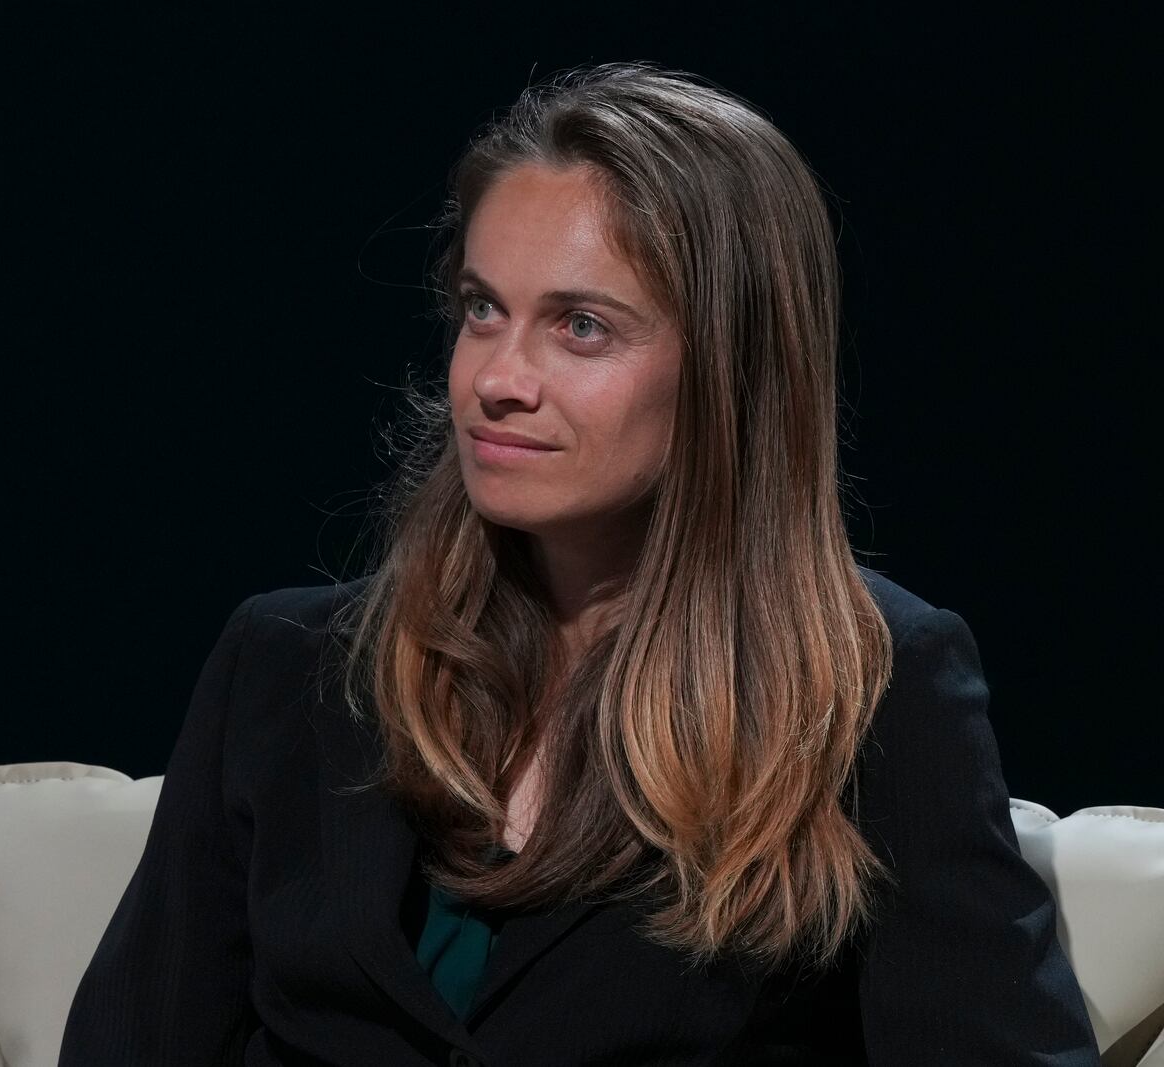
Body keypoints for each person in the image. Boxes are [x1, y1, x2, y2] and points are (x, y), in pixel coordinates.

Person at [58, 62, 1101, 1065]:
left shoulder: (873, 689)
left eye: (582, 326)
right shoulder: (283, 665)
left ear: (728, 371)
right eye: (481, 308)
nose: (498, 378)